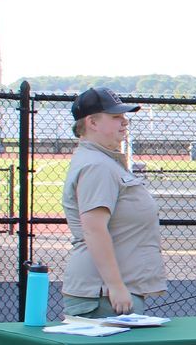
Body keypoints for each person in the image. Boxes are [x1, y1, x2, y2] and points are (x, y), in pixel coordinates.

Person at [61, 86, 168, 318]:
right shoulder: (96, 166)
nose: (125, 122)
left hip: (110, 292)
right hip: (104, 294)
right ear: (92, 122)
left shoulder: (102, 161)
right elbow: (94, 229)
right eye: (116, 117)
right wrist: (116, 286)